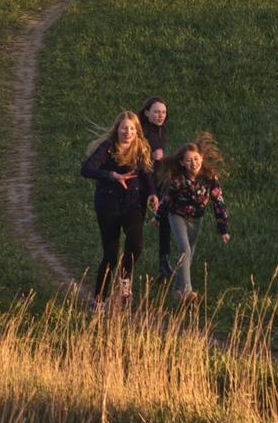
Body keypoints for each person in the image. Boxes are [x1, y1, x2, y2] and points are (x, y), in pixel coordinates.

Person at [80, 110, 156, 309]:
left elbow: (147, 174)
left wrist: (152, 194)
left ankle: (125, 283)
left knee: (135, 246)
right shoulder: (107, 147)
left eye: (131, 129)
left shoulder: (140, 148)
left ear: (137, 131)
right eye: (124, 128)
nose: (127, 132)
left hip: (133, 204)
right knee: (111, 255)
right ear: (117, 129)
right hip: (108, 206)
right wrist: (112, 175)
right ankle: (99, 300)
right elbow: (86, 169)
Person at [156, 134, 231, 299]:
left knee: (189, 254)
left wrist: (223, 229)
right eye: (189, 160)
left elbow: (218, 202)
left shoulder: (209, 178)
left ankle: (177, 291)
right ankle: (188, 292)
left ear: (202, 158)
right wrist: (158, 216)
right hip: (177, 216)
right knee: (185, 249)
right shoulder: (178, 179)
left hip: (196, 218)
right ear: (182, 162)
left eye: (196, 159)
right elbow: (166, 198)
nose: (193, 163)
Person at [138, 97, 177, 277]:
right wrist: (152, 157)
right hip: (141, 182)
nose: (160, 115)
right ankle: (130, 259)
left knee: (165, 218)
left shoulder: (163, 129)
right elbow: (139, 160)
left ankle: (164, 261)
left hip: (160, 180)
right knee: (136, 223)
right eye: (156, 112)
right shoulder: (141, 132)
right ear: (147, 113)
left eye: (163, 112)